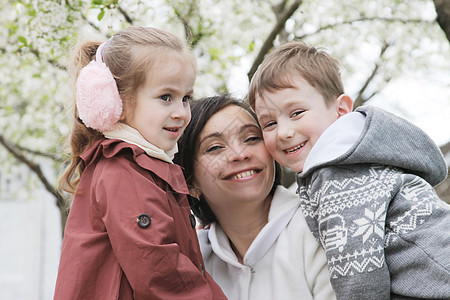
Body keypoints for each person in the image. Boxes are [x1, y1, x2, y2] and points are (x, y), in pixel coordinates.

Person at [247, 41, 450, 299]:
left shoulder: (338, 171)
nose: (284, 132)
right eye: (269, 123)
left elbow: (359, 273)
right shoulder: (357, 157)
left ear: (341, 110)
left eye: (297, 112)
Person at [54, 26, 226, 299]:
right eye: (165, 97)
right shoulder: (123, 170)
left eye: (186, 98)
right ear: (116, 101)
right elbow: (159, 270)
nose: (181, 113)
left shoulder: (143, 166)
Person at [175, 94, 336, 300]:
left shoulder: (321, 227)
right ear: (189, 182)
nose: (240, 154)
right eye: (215, 147)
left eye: (251, 138)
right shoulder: (191, 260)